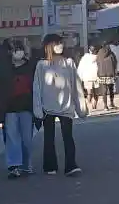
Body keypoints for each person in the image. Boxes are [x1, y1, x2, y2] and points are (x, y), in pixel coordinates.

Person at [32, 32, 86, 175]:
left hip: (66, 106)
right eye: (56, 43)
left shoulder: (69, 63)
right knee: (49, 138)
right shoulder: (41, 65)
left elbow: (76, 85)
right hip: (47, 107)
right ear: (49, 46)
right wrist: (38, 108)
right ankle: (50, 166)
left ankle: (71, 165)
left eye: (61, 43)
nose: (60, 46)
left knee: (68, 137)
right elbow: (37, 87)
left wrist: (81, 106)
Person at [0, 38, 36, 177]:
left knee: (27, 138)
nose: (18, 53)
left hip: (27, 107)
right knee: (12, 137)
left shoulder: (30, 66)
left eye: (20, 49)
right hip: (9, 107)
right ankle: (14, 165)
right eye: (15, 50)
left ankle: (26, 164)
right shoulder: (3, 68)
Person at [95, 41, 118, 109]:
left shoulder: (99, 54)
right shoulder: (111, 54)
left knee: (104, 90)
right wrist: (115, 73)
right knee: (111, 89)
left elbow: (97, 63)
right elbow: (115, 63)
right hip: (110, 74)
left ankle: (105, 106)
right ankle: (112, 103)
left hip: (101, 74)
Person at [77, 45, 100, 110]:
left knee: (89, 93)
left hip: (87, 77)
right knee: (96, 93)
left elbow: (80, 68)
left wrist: (80, 77)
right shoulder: (98, 57)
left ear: (89, 50)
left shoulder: (84, 58)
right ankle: (94, 106)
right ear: (95, 50)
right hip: (96, 77)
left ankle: (88, 106)